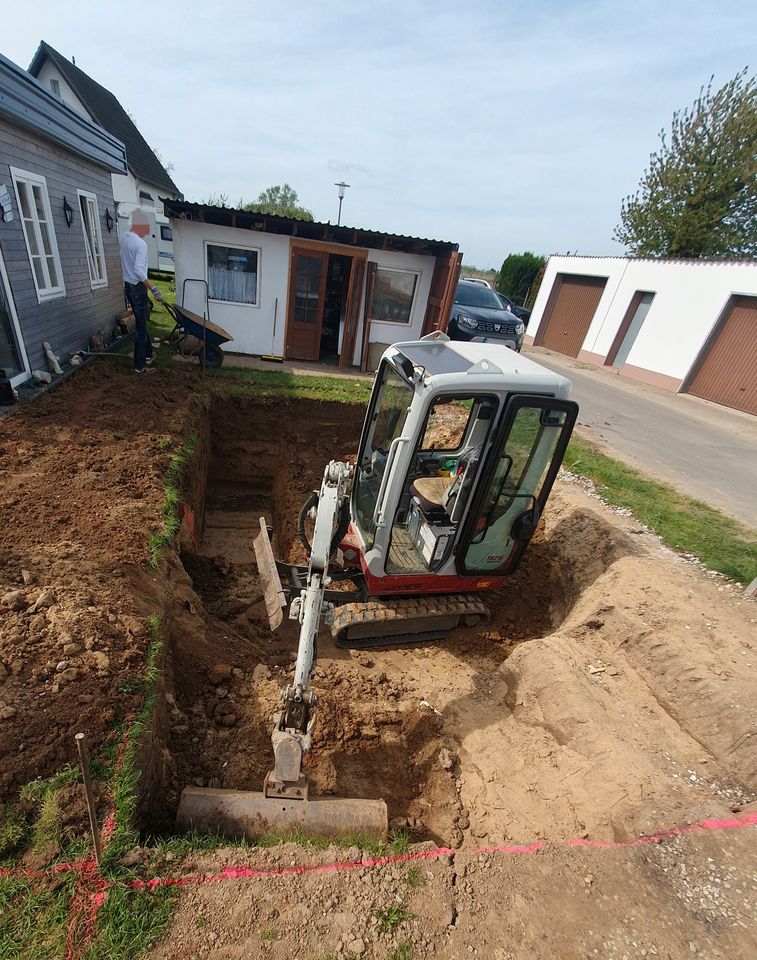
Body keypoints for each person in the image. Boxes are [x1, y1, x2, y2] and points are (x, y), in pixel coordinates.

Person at [119, 209, 163, 373]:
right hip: (137, 287)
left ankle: (147, 355)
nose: (149, 230)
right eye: (146, 226)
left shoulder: (124, 237)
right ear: (139, 225)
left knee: (141, 322)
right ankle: (140, 366)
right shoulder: (140, 244)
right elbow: (139, 270)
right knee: (141, 328)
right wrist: (155, 290)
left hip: (128, 286)